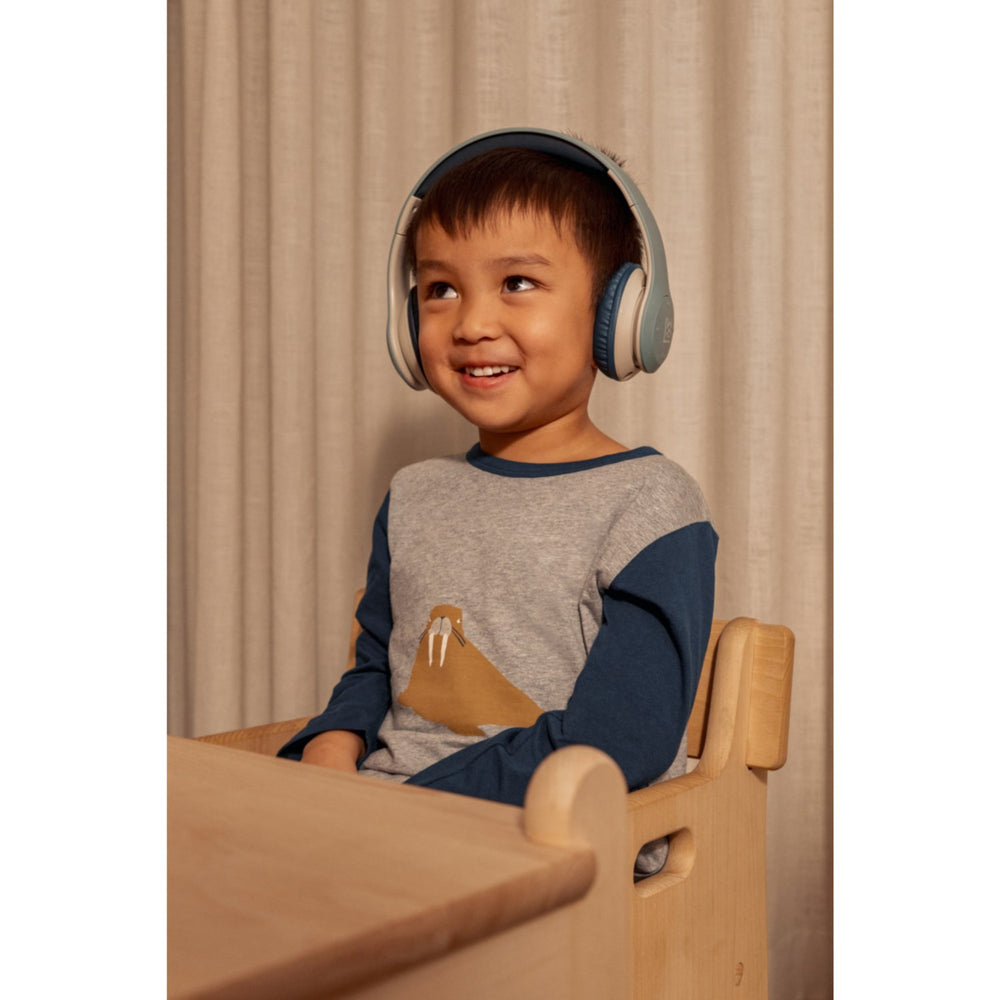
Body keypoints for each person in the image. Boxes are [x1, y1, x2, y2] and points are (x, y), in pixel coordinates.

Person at [277, 129, 717, 828]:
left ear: (620, 314)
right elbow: (379, 667)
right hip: (388, 824)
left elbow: (618, 742)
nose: (472, 323)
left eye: (517, 283)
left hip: (557, 838)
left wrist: (407, 806)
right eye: (441, 289)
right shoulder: (414, 495)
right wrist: (331, 747)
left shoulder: (650, 504)